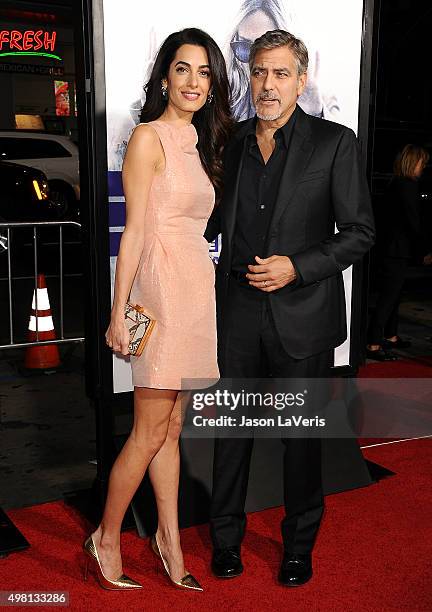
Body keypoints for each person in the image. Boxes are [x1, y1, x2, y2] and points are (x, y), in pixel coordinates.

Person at [205, 29, 374, 586]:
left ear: (302, 81)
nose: (267, 85)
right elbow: (210, 225)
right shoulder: (231, 144)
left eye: (280, 74)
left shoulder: (334, 142)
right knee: (232, 435)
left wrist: (296, 266)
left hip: (301, 317)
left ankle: (298, 545)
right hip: (237, 316)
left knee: (300, 441)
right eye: (259, 73)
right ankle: (224, 540)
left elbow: (358, 233)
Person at [83, 28, 232, 591]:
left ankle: (169, 541)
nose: (193, 82)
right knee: (148, 431)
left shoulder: (199, 141)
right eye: (182, 69)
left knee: (173, 429)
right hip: (162, 291)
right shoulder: (148, 138)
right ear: (164, 76)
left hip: (197, 288)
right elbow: (136, 231)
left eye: (204, 72)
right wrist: (118, 311)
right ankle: (106, 536)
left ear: (213, 84)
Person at [226, 0, 340, 121]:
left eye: (267, 48)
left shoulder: (321, 99)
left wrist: (313, 113)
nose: (253, 62)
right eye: (244, 47)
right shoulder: (223, 93)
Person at [366, 144, 429, 361]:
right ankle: (373, 343)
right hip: (396, 251)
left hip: (389, 248)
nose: (424, 167)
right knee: (389, 297)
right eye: (422, 162)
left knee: (394, 295)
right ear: (414, 162)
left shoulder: (395, 184)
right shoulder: (408, 187)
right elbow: (414, 223)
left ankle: (390, 336)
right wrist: (424, 251)